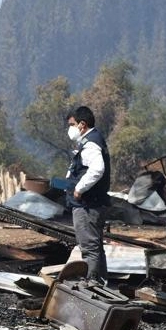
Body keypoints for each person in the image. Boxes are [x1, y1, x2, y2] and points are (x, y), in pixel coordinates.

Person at [64, 106, 110, 283]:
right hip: (94, 204)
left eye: (72, 124)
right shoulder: (91, 142)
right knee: (96, 247)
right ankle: (102, 283)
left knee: (89, 248)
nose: (70, 129)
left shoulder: (90, 144)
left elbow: (97, 169)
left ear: (82, 125)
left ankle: (92, 285)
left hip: (87, 206)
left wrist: (79, 188)